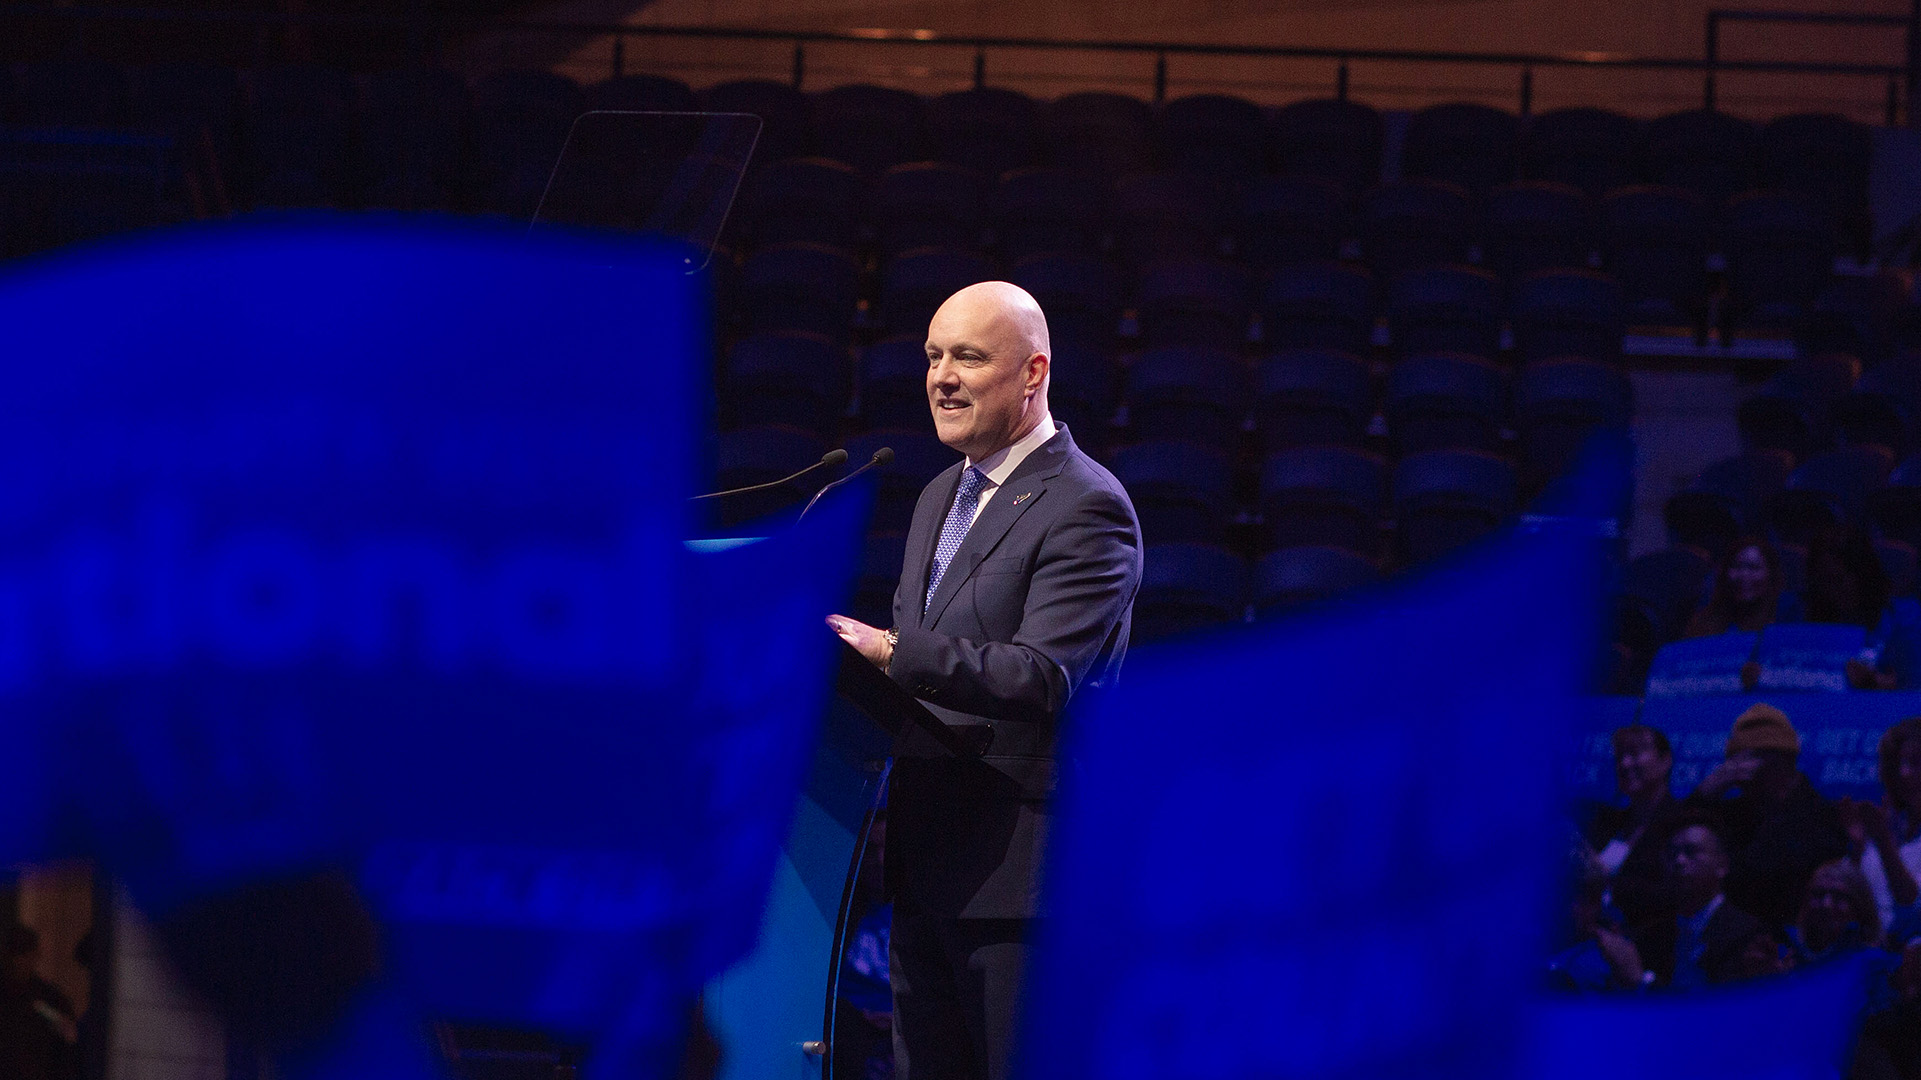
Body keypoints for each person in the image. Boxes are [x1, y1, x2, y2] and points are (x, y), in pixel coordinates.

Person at [828, 281, 1142, 1080]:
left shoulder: (1086, 504)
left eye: (967, 356)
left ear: (1032, 372)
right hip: (925, 868)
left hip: (1021, 884)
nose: (941, 377)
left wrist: (891, 652)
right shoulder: (940, 494)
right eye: (933, 356)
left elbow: (1043, 678)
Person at [1686, 702, 1852, 930]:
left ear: (1780, 761)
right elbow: (1672, 847)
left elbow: (1768, 874)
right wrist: (1704, 794)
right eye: (1736, 761)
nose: (1740, 770)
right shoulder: (1730, 814)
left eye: (1750, 760)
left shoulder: (1822, 816)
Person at [1631, 816, 1771, 987]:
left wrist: (1643, 981)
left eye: (1691, 852)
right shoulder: (1652, 934)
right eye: (1672, 854)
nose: (1679, 861)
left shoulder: (1746, 933)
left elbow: (1720, 1007)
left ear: (1723, 865)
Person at [1584, 724, 1689, 930]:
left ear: (1665, 761)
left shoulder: (1681, 823)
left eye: (1634, 754)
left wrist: (1607, 880)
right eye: (1619, 756)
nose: (1624, 764)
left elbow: (1675, 893)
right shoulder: (1610, 823)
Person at [1848, 717, 1921, 941]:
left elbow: (1912, 906)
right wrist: (1857, 849)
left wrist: (1883, 840)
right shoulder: (1889, 826)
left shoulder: (1883, 834)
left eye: (1916, 762)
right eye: (1898, 764)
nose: (1904, 773)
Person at [1684, 536, 1785, 638]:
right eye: (1737, 566)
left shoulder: (1785, 610)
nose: (1744, 575)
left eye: (1754, 568)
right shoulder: (1706, 613)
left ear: (1770, 574)